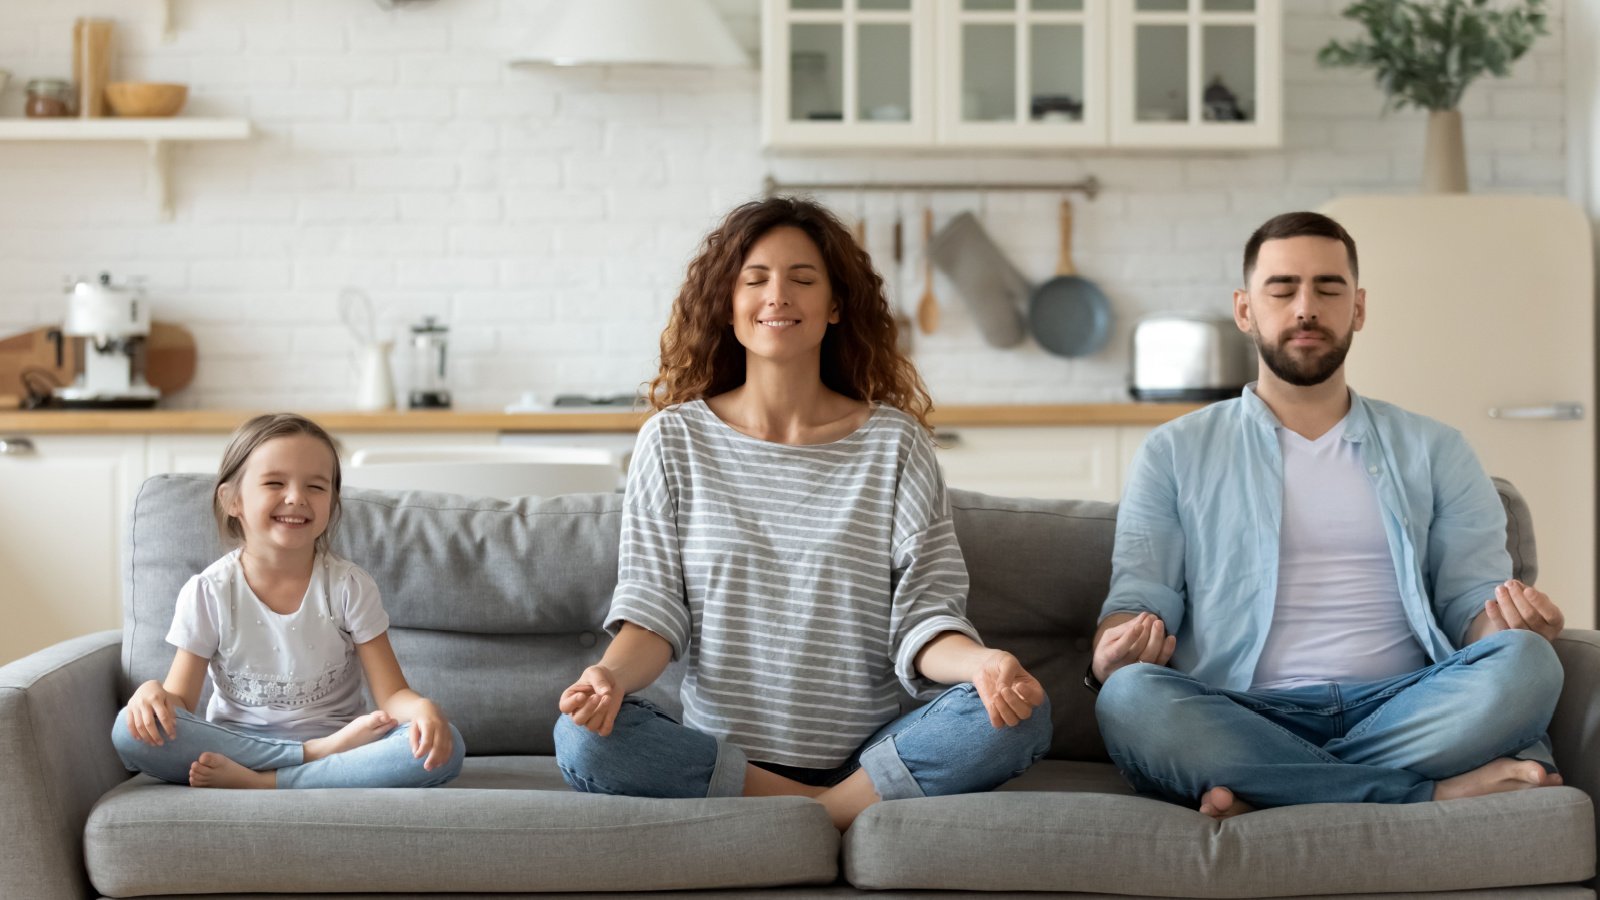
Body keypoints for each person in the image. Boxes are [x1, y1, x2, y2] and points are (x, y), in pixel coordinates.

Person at [553, 196, 1051, 830]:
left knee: (1022, 712)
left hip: (871, 754)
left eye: (803, 279)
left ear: (835, 306)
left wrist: (981, 664)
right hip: (723, 755)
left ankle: (807, 812)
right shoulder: (673, 440)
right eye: (755, 279)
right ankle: (829, 817)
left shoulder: (895, 444)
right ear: (727, 305)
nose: (777, 295)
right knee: (582, 738)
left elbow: (924, 617)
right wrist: (607, 676)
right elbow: (653, 613)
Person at [1093, 211, 1566, 819]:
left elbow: (1470, 603)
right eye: (1282, 289)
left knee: (1529, 664)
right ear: (1245, 310)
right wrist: (1113, 652)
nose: (1305, 308)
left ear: (1359, 308)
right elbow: (1142, 595)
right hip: (1242, 708)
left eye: (1328, 288)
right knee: (1131, 697)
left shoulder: (1437, 449)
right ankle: (1427, 793)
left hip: (1404, 703)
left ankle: (1269, 787)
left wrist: (1511, 627)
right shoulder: (1174, 451)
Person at [112, 413, 464, 789]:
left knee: (448, 747)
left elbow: (392, 694)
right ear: (232, 500)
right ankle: (311, 759)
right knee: (128, 732)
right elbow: (179, 699)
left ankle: (268, 781)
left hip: (344, 744)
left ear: (332, 501)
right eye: (275, 482)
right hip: (248, 746)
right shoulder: (209, 591)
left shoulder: (349, 586)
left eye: (316, 486)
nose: (296, 498)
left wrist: (422, 709)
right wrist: (153, 695)